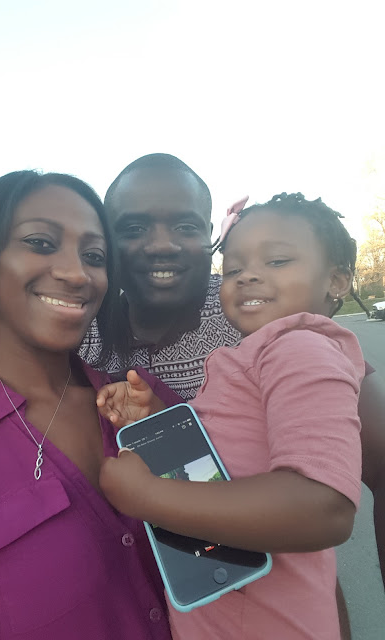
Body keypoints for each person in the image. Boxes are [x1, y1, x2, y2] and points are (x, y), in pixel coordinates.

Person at [81, 154, 385, 595]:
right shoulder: (80, 331)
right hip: (155, 603)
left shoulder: (261, 315)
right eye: (133, 228)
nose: (162, 245)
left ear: (210, 236)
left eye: (185, 226)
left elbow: (362, 472)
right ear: (107, 240)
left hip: (273, 599)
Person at [0, 170, 178, 640]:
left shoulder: (149, 401)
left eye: (95, 256)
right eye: (40, 243)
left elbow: (234, 544)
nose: (77, 274)